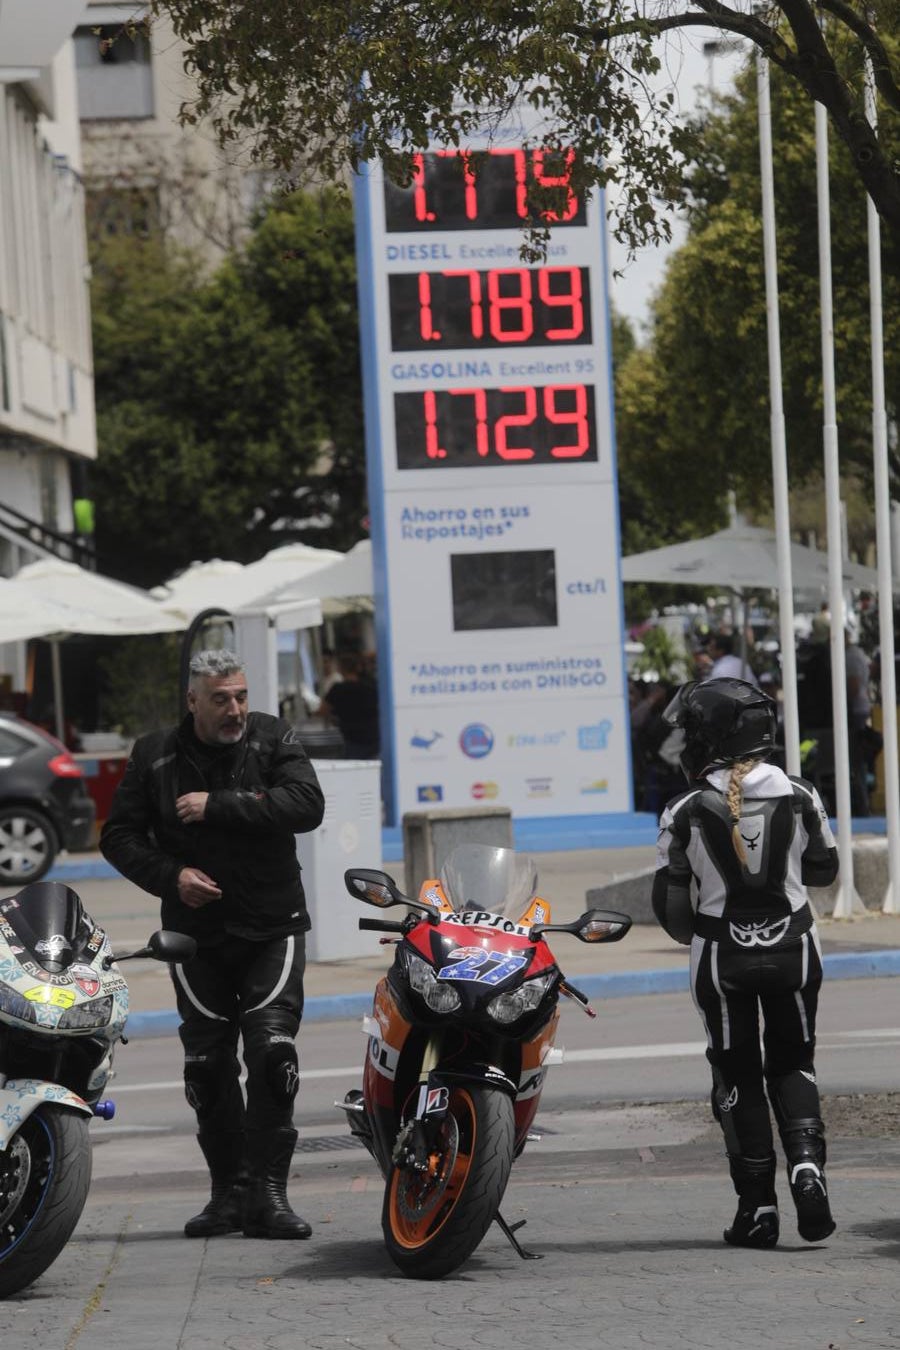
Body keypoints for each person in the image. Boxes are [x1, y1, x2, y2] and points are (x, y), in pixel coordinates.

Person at [99, 650, 325, 1241]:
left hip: (271, 925)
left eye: (241, 696)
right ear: (193, 701)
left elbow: (307, 805)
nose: (235, 710)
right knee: (206, 1065)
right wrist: (171, 876)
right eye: (221, 699)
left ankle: (269, 1196)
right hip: (193, 938)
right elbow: (118, 836)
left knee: (273, 1055)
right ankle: (228, 1195)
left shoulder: (274, 738)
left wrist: (217, 805)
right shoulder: (155, 754)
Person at [651, 677, 839, 1250]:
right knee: (793, 1061)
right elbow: (824, 870)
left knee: (736, 1073)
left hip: (720, 956)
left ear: (709, 737)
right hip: (795, 949)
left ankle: (757, 1207)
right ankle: (807, 1167)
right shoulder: (803, 794)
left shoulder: (682, 810)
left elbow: (672, 913)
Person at [319, 651, 380, 758]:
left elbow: (322, 711)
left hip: (351, 739)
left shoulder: (337, 689)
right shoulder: (371, 686)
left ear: (340, 669)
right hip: (374, 739)